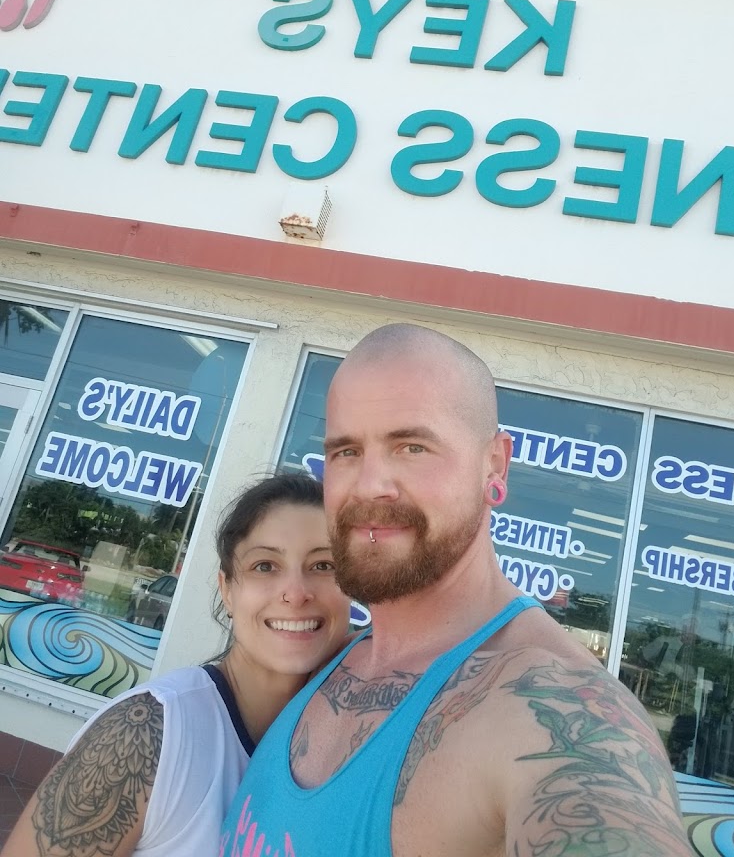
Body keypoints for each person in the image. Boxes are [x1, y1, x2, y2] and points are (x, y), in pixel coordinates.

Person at [221, 324, 694, 857]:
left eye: (412, 446)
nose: (370, 485)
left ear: (495, 465)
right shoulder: (330, 657)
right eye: (346, 452)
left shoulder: (554, 709)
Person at [1, 473, 350, 857]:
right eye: (265, 566)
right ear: (227, 590)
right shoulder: (149, 731)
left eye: (324, 565)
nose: (297, 593)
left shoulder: (346, 736)